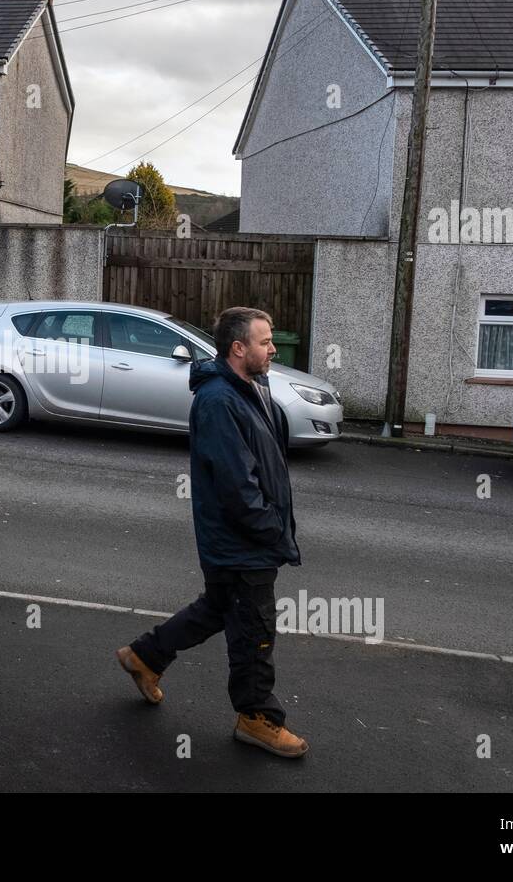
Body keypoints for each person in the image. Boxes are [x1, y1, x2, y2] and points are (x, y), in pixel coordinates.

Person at [116, 306, 309, 758]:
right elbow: (236, 485)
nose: (273, 348)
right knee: (255, 632)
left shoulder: (251, 388)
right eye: (264, 341)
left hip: (242, 542)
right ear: (238, 348)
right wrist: (271, 531)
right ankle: (257, 718)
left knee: (219, 608)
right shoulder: (219, 400)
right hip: (242, 544)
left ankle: (145, 657)